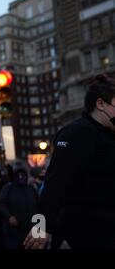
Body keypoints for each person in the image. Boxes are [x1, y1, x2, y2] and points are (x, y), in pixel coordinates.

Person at [25, 75, 115, 249]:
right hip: (88, 229)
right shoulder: (75, 134)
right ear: (101, 104)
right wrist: (40, 227)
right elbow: (54, 185)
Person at [0, 163, 38, 249]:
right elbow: (1, 204)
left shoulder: (31, 189)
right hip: (13, 230)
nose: (20, 177)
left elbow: (38, 205)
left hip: (30, 228)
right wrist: (9, 217)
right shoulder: (8, 188)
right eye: (18, 174)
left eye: (22, 174)